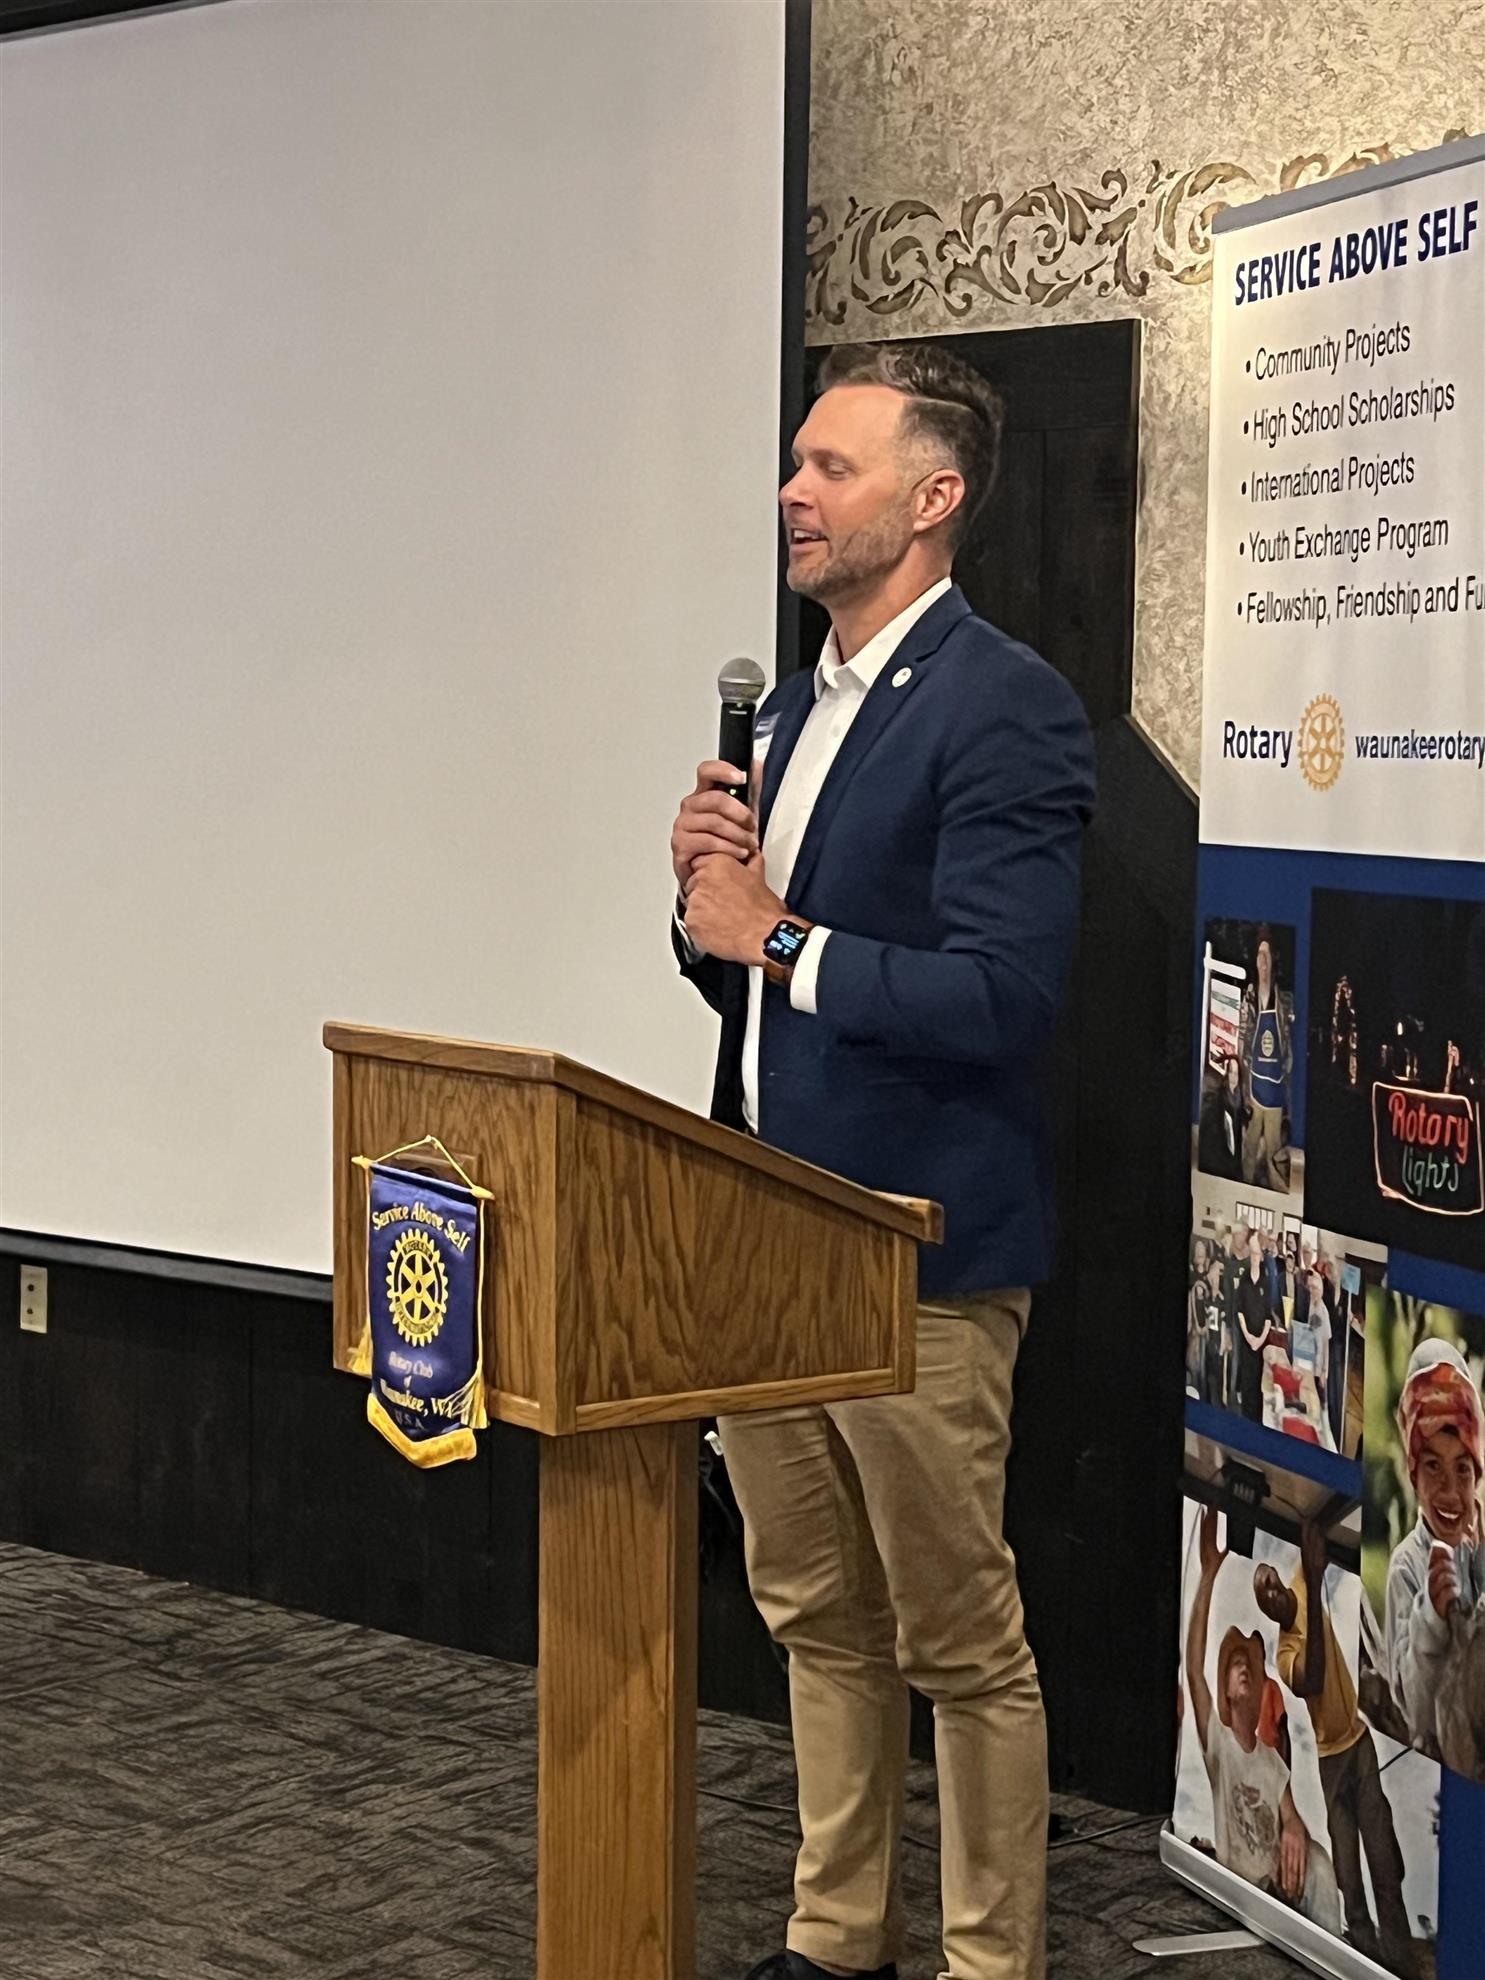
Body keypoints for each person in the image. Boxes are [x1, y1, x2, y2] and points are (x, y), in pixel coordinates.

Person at [670, 341, 1094, 1980]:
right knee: (814, 1614)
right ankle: (837, 1937)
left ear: (933, 499)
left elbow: (1003, 999)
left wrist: (774, 936)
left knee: (958, 1643)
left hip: (915, 1247)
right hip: (764, 1232)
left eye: (830, 468)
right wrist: (704, 908)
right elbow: (753, 982)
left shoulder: (1004, 706)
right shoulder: (788, 709)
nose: (792, 491)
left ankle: (992, 1963)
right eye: (796, 462)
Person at [1254, 1524, 1419, 1975]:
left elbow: (1318, 1528)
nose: (1272, 1595)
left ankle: (1401, 1963)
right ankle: (1362, 1955)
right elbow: (1314, 1676)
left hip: (1359, 1744)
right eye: (1264, 1599)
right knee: (1347, 1871)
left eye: (1270, 1584)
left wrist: (1312, 1565)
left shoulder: (1298, 1581)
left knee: (1383, 1861)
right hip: (1329, 1762)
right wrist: (1313, 1577)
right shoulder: (1285, 1656)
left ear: (1278, 1578)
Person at [1186, 1507, 1341, 1931]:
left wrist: (1295, 1829)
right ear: (1226, 1692)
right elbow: (1194, 1670)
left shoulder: (1271, 1760)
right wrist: (1208, 1575)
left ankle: (1328, 1945)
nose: (1243, 1669)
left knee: (1319, 1861)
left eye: (1249, 1666)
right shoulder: (1218, 1744)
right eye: (1234, 1664)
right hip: (1240, 1891)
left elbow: (1291, 1813)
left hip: (1279, 1888)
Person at [1385, 1339, 1485, 1772]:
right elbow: (1416, 1716)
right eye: (1432, 1466)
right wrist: (1431, 1619)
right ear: (1412, 1473)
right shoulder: (1406, 1567)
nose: (1449, 1490)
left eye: (1462, 1468)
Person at [1240, 929, 1292, 1192]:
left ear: (1272, 962)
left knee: (1273, 1148)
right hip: (1254, 1087)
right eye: (1259, 955)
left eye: (1267, 955)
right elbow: (1243, 1039)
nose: (1262, 961)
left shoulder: (1283, 1000)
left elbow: (1290, 1047)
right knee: (1250, 1143)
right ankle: (1244, 1189)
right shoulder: (1249, 999)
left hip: (1275, 1092)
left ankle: (1275, 1198)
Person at [1233, 1230, 1273, 1424]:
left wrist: (1260, 1339)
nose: (1255, 1258)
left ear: (1261, 1256)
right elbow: (1239, 1310)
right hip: (1246, 1341)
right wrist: (1248, 1336)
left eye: (1258, 1254)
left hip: (1260, 1344)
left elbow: (1268, 1316)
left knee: (1258, 1383)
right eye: (1253, 1254)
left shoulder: (1266, 1281)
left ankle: (1256, 1422)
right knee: (1247, 1381)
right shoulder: (1244, 1280)